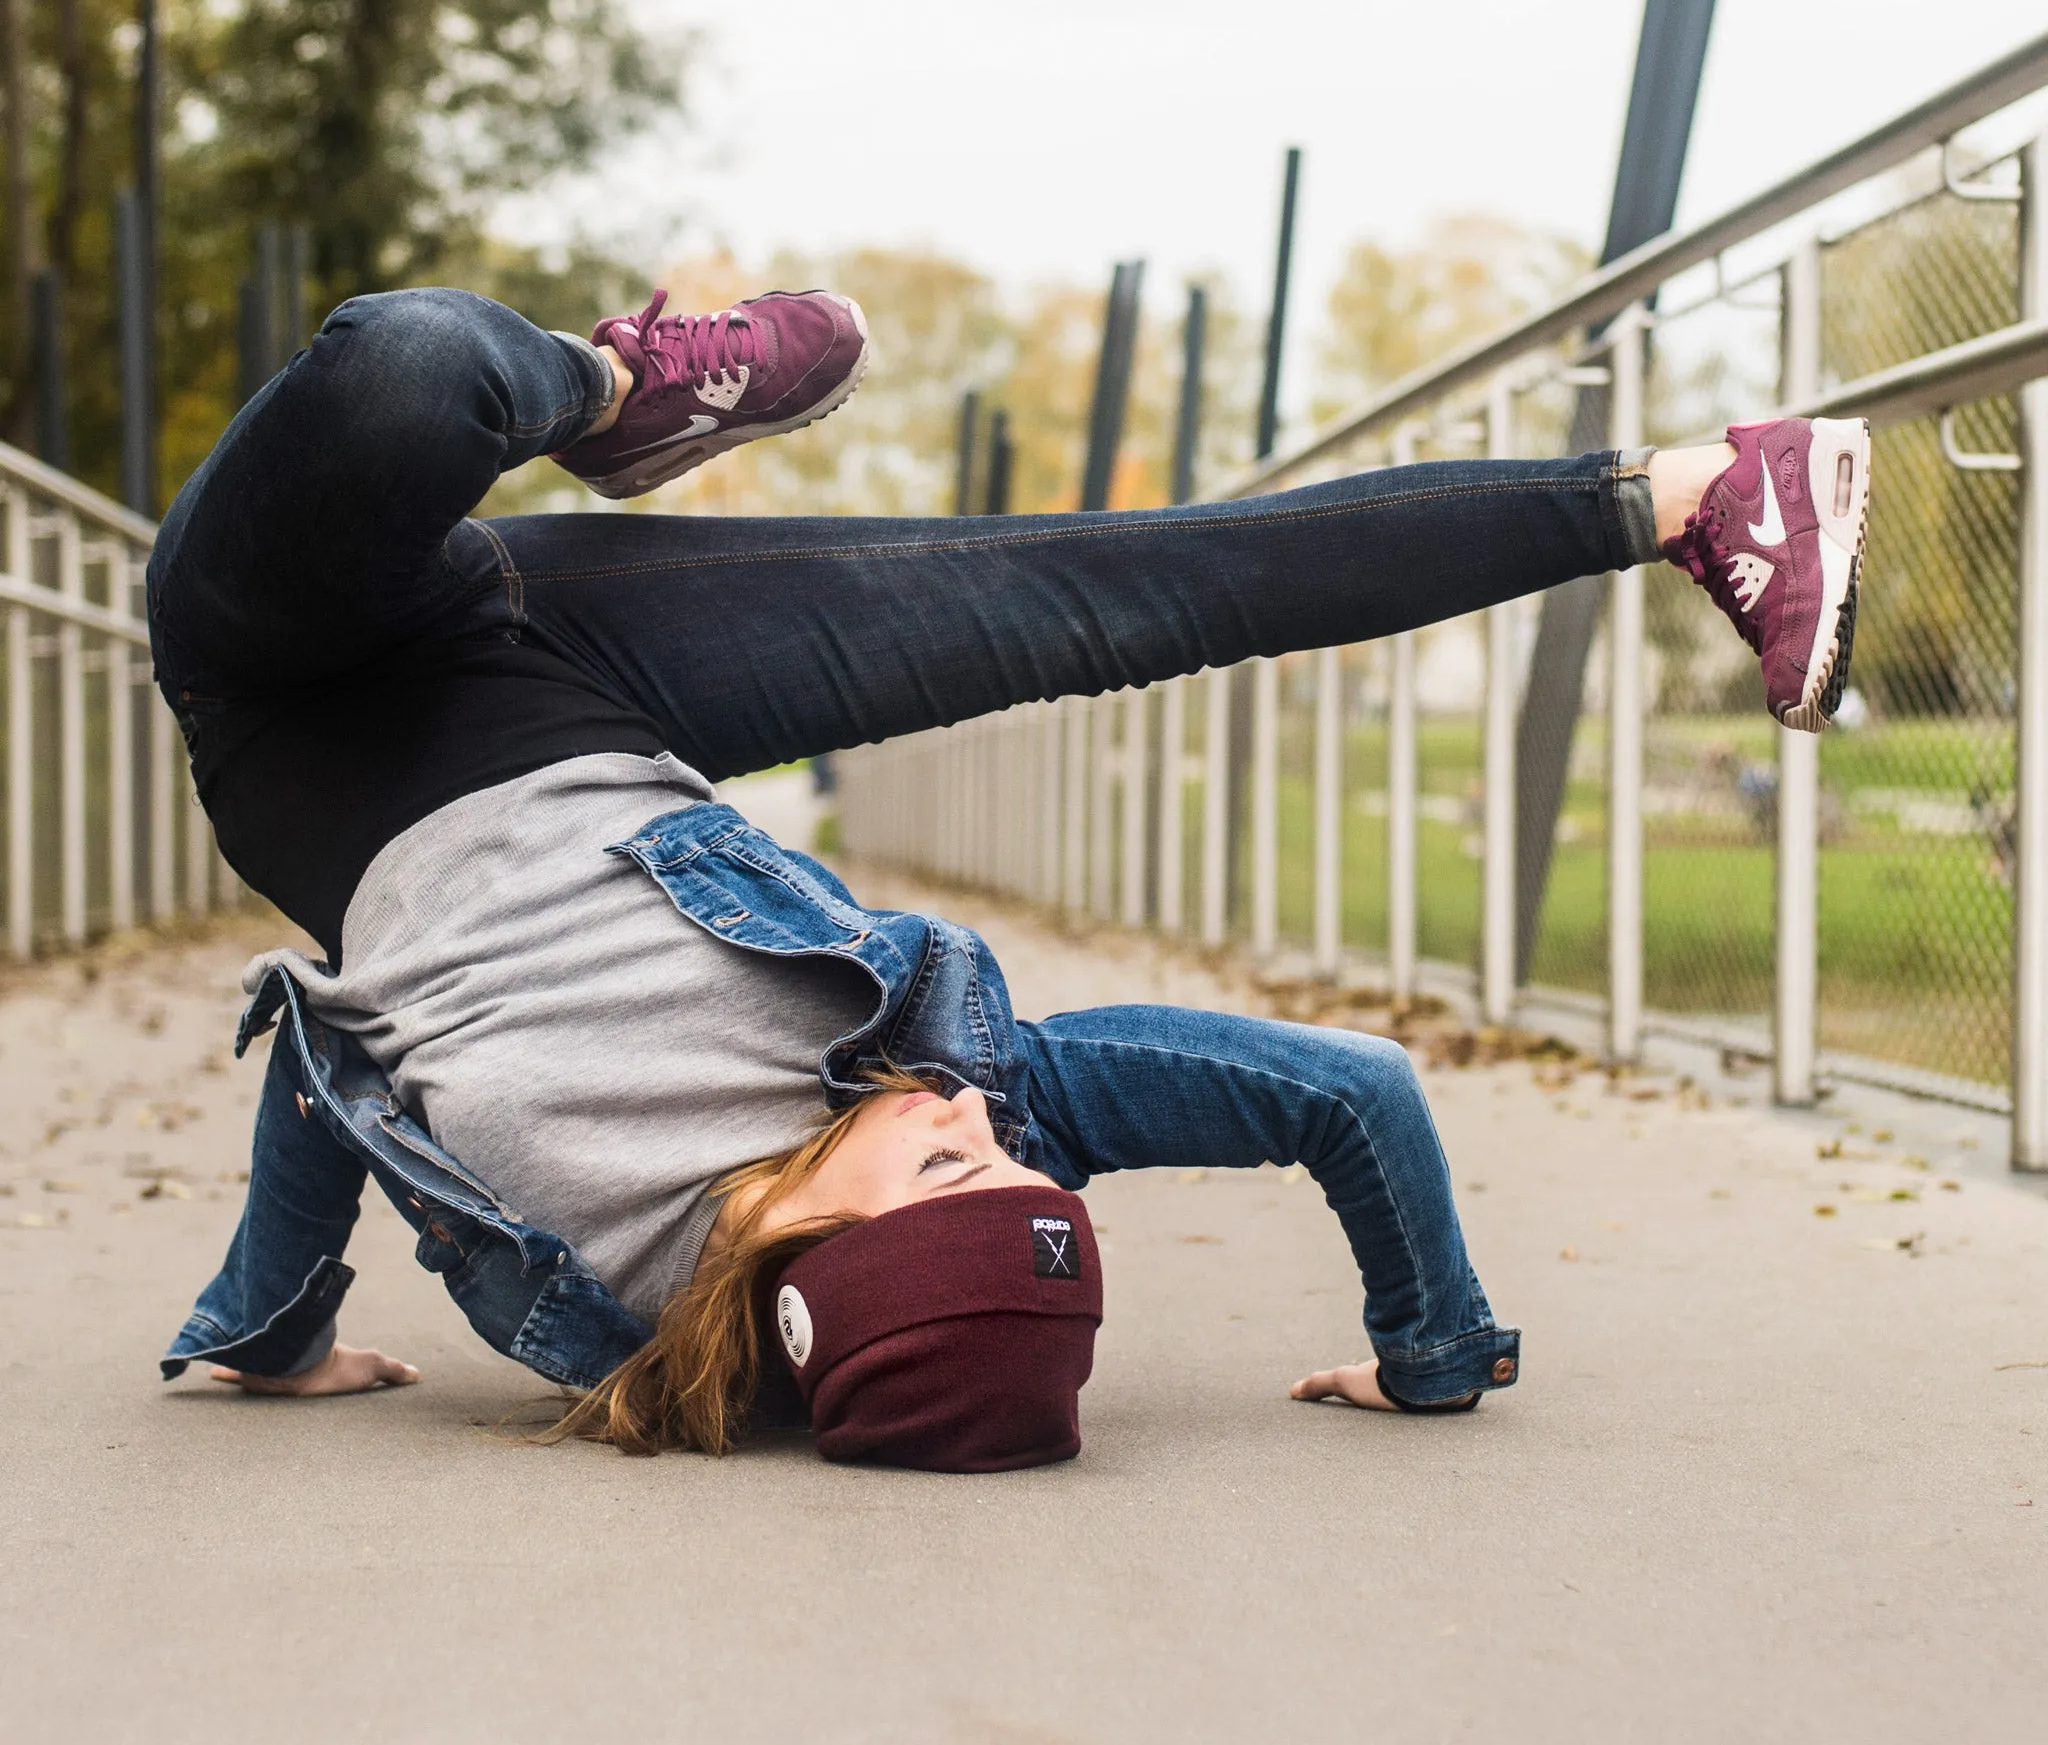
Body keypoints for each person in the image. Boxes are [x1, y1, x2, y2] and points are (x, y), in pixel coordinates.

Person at [152, 283, 1871, 1471]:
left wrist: (271, 1324)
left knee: (400, 373)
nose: (974, 1116)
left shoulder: (587, 1273)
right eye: (1011, 1163)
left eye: (951, 1166)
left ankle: (595, 387)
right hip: (584, 688)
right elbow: (1354, 1092)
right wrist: (1432, 1354)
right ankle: (1703, 498)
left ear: (828, 1243)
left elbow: (332, 1064)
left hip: (281, 710)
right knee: (1121, 592)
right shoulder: (977, 1096)